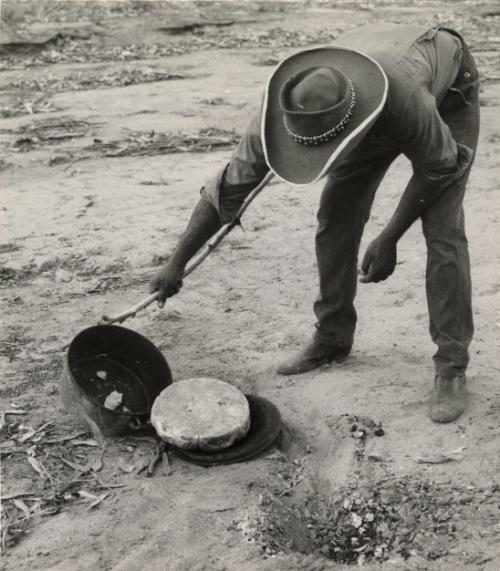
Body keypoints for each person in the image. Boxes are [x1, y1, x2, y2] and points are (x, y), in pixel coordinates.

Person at [150, 23, 480, 423]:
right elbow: (226, 191)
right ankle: (332, 337)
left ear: (349, 129)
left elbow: (438, 168)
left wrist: (389, 238)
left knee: (443, 230)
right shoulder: (281, 117)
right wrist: (176, 262)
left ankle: (451, 366)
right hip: (367, 106)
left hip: (446, 93)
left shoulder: (405, 101)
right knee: (336, 215)